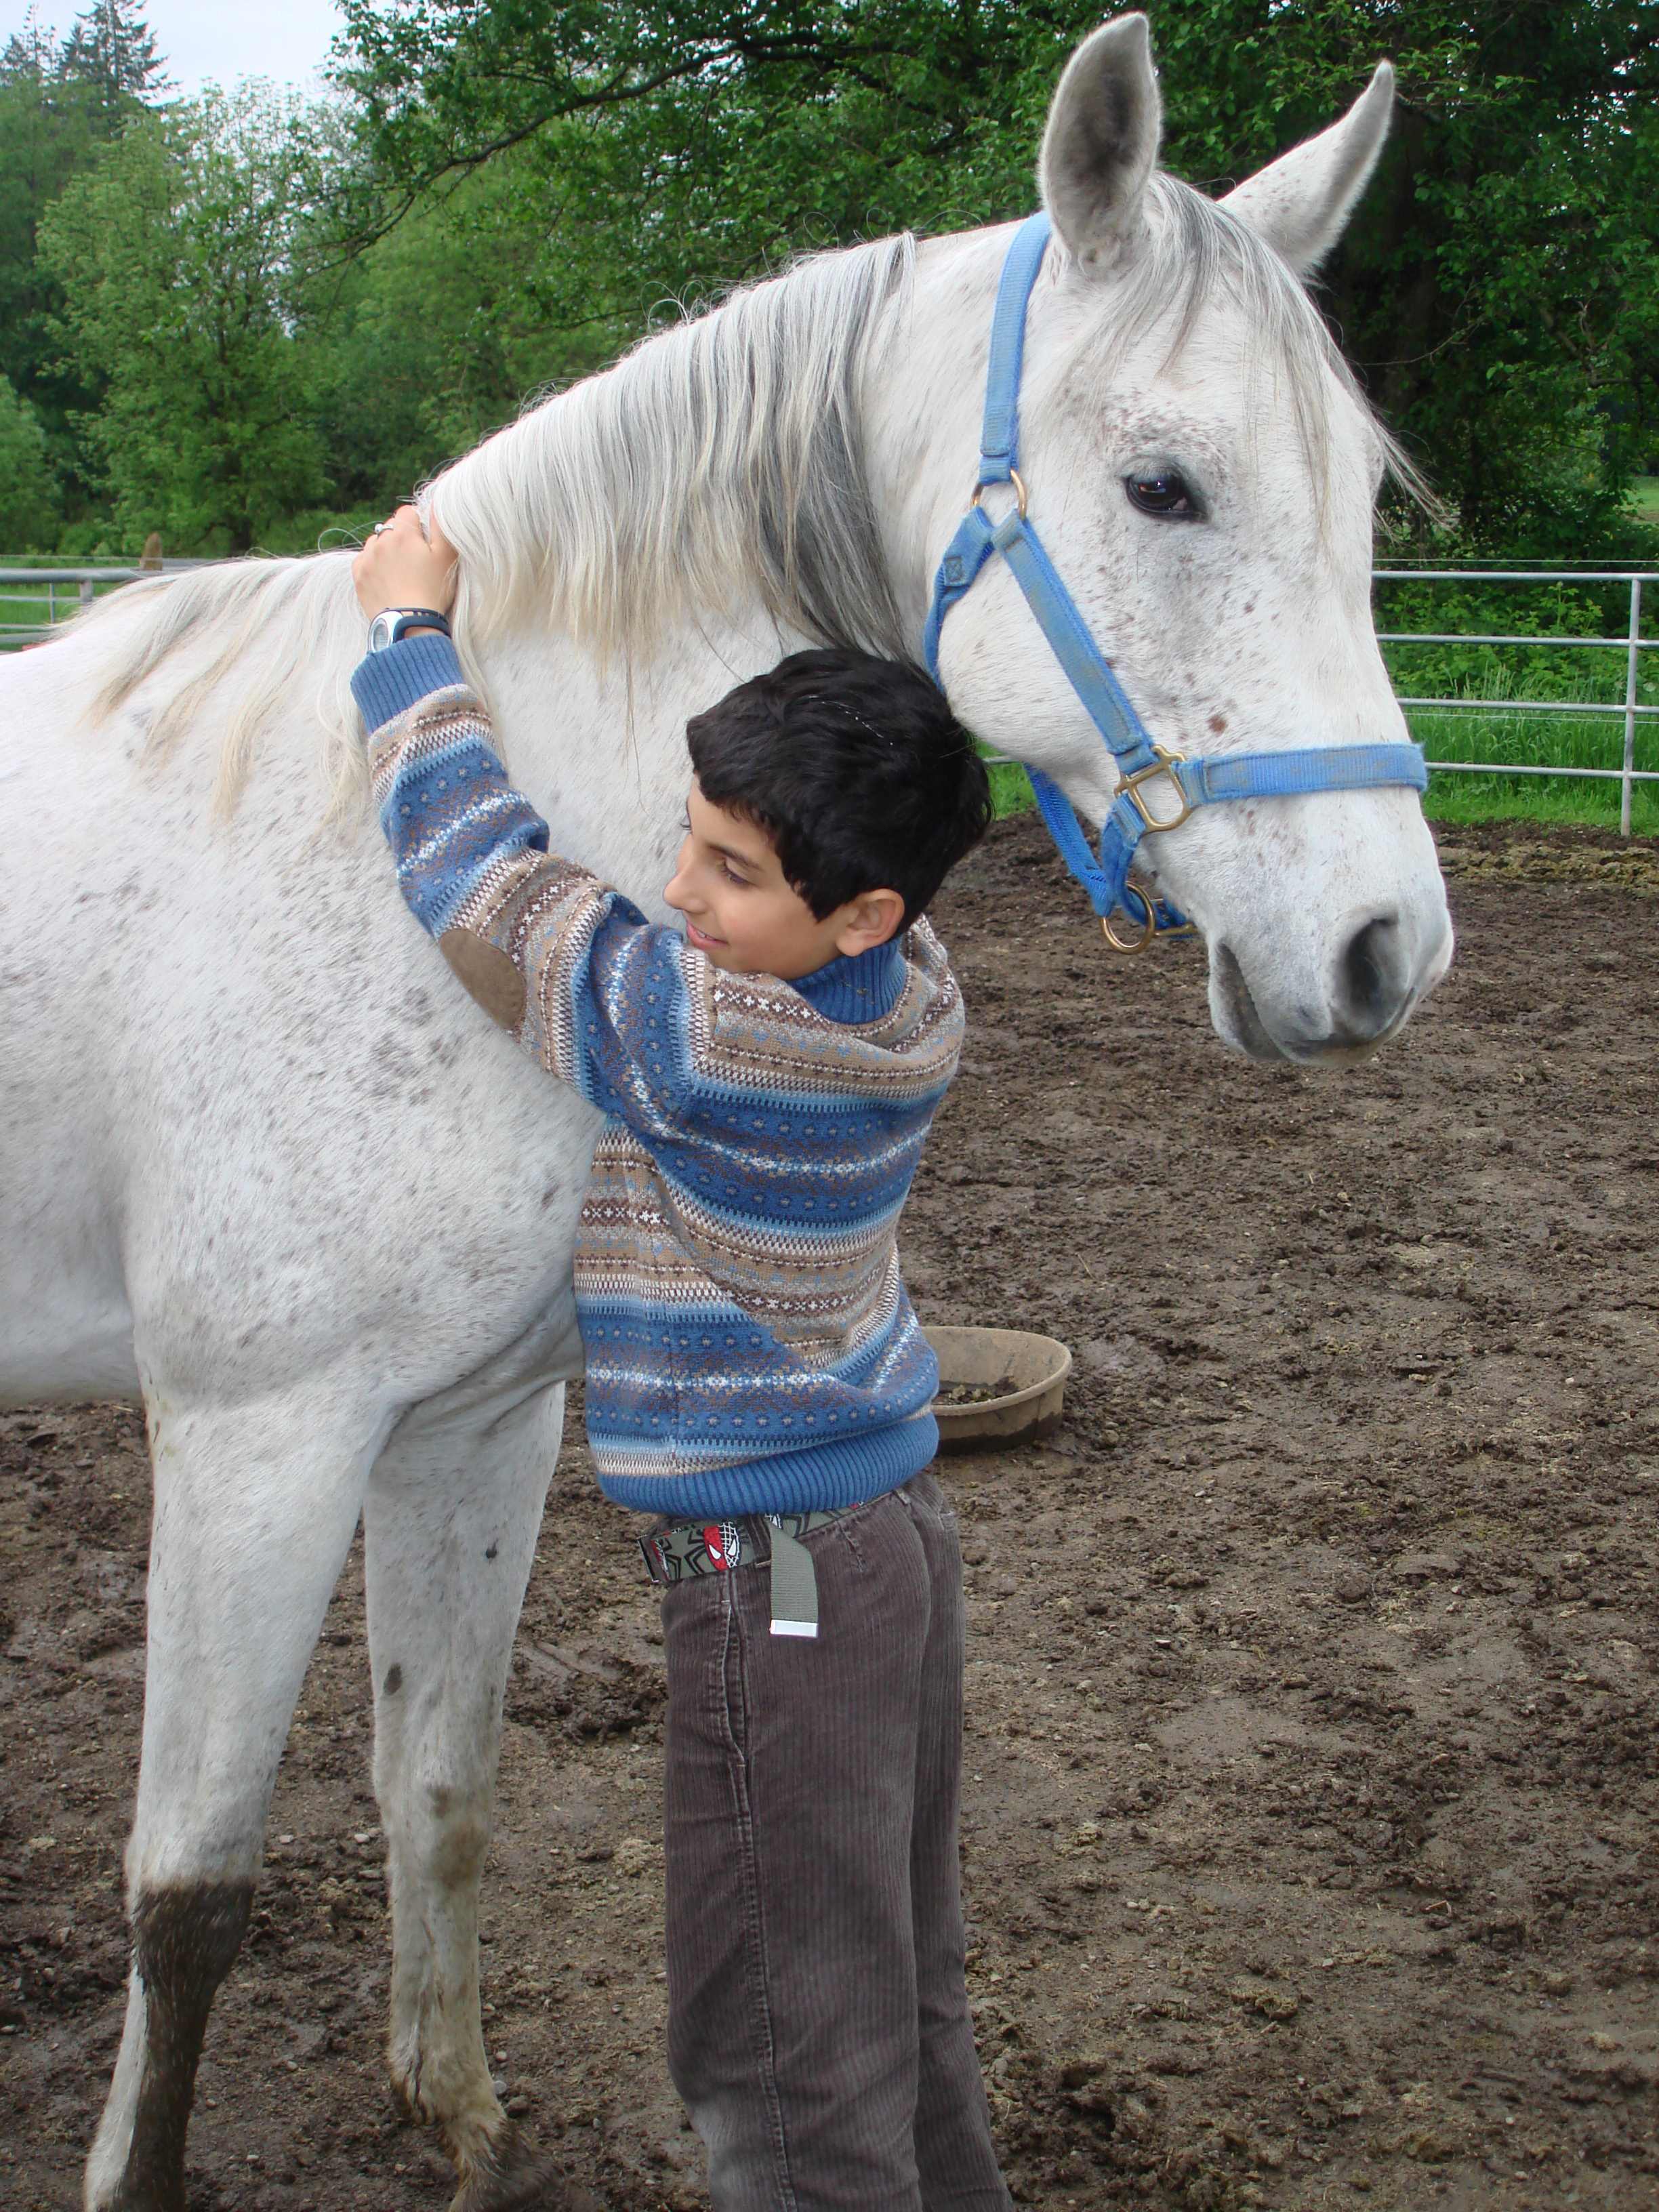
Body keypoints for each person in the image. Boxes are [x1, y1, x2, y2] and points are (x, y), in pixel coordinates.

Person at [352, 505, 1010, 2212]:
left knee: (778, 2034)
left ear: (856, 912)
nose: (679, 889)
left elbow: (487, 877)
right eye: (689, 841)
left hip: (774, 1578)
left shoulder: (703, 1036)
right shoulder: (912, 989)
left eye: (728, 871)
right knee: (895, 1979)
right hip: (886, 1549)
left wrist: (410, 643)